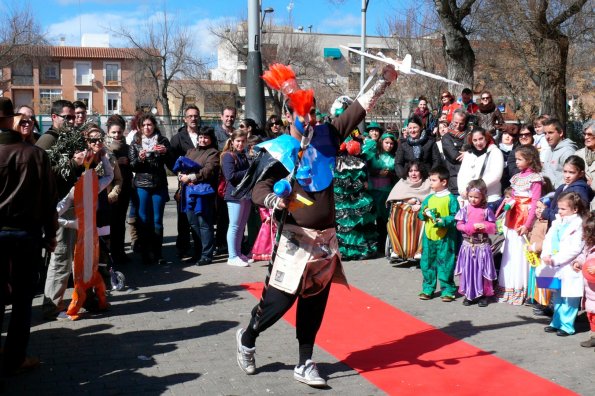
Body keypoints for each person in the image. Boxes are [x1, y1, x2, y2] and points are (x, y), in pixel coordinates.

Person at [235, 63, 398, 387]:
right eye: (303, 115)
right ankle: (249, 337)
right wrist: (275, 201)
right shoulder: (281, 149)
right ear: (291, 118)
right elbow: (259, 190)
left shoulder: (328, 135)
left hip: (325, 240)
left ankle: (305, 362)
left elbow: (360, 108)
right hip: (295, 239)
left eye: (311, 114)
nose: (309, 120)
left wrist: (383, 80)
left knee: (314, 301)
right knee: (279, 302)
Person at [0, 98, 58, 374]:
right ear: (10, 119)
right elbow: (49, 200)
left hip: (17, 233)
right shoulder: (34, 154)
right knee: (23, 300)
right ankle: (15, 357)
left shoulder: (35, 154)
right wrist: (51, 234)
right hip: (26, 234)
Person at [37, 100, 85, 320]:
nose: (72, 120)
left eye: (73, 117)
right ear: (54, 117)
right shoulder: (47, 140)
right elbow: (41, 174)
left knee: (66, 255)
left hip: (68, 202)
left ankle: (58, 302)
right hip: (57, 205)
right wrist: (74, 164)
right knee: (60, 256)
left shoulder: (67, 138)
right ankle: (50, 306)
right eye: (67, 117)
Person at [496, 145, 543, 305]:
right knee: (510, 252)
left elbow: (535, 201)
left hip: (524, 217)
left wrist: (528, 224)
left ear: (530, 160)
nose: (516, 162)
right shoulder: (516, 177)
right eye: (516, 158)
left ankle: (521, 288)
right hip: (513, 216)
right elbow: (514, 196)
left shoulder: (535, 178)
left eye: (520, 159)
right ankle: (508, 286)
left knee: (521, 254)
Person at [540, 192, 586, 336]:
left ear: (575, 209)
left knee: (570, 297)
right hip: (554, 264)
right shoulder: (557, 222)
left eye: (563, 209)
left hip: (569, 265)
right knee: (557, 295)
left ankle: (567, 326)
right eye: (559, 208)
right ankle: (557, 321)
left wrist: (556, 259)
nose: (559, 212)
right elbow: (548, 239)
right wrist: (546, 255)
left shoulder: (579, 225)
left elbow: (575, 248)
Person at [128, 114, 171, 265]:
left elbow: (171, 162)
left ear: (154, 126)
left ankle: (158, 254)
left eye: (150, 125)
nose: (147, 128)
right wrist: (140, 158)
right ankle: (145, 253)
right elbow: (132, 165)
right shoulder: (135, 143)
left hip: (158, 184)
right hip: (141, 184)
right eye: (144, 125)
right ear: (139, 127)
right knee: (143, 219)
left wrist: (165, 152)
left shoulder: (163, 141)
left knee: (157, 220)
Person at [178, 126, 220, 266]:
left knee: (204, 224)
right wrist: (180, 174)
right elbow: (183, 166)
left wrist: (190, 177)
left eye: (206, 137)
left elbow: (208, 171)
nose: (203, 139)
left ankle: (206, 255)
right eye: (201, 137)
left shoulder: (213, 153)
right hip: (188, 193)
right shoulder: (191, 151)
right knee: (193, 224)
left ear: (211, 139)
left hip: (203, 194)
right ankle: (197, 253)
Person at [418, 165, 460, 301]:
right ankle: (428, 288)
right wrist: (423, 213)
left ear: (444, 182)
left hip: (445, 238)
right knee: (427, 262)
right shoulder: (429, 198)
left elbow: (456, 216)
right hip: (429, 236)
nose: (431, 183)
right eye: (430, 180)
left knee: (446, 263)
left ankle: (447, 289)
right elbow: (420, 214)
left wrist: (444, 220)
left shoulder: (451, 199)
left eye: (433, 180)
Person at [454, 179, 497, 307]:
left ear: (483, 196)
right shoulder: (464, 210)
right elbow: (459, 225)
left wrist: (483, 226)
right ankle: (469, 294)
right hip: (468, 245)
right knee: (469, 270)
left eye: (476, 197)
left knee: (482, 270)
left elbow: (494, 227)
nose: (473, 199)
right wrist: (470, 227)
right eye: (470, 197)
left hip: (482, 246)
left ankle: (484, 295)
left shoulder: (487, 211)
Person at [334, 139, 377, 260]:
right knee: (344, 222)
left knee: (358, 222)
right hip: (342, 197)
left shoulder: (359, 151)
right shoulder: (336, 151)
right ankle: (345, 251)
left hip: (357, 196)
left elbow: (372, 145)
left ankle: (359, 250)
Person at [170, 105, 202, 259]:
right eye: (190, 116)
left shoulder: (205, 134)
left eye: (196, 116)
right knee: (183, 216)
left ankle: (200, 246)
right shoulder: (178, 138)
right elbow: (171, 158)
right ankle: (183, 247)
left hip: (201, 179)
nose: (193, 118)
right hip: (184, 181)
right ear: (185, 119)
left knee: (200, 215)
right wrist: (178, 172)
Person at [386, 160, 431, 263]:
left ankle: (419, 251)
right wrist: (408, 201)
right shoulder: (402, 182)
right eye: (411, 171)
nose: (413, 174)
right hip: (403, 213)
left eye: (416, 171)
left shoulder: (427, 183)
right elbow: (393, 199)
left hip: (420, 213)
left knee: (424, 216)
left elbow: (432, 199)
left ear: (421, 172)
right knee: (395, 211)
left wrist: (420, 203)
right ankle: (397, 250)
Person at [221, 129, 252, 267]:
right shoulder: (228, 156)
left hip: (245, 194)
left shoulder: (243, 155)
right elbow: (230, 176)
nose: (240, 143)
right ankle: (232, 256)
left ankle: (238, 254)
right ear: (232, 141)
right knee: (234, 226)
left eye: (243, 141)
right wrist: (250, 171)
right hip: (234, 195)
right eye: (238, 141)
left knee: (240, 227)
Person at [105, 115, 132, 265]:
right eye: (113, 132)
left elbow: (132, 164)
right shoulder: (104, 147)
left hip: (125, 187)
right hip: (109, 189)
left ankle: (119, 252)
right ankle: (107, 255)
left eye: (119, 132)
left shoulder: (126, 147)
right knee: (109, 222)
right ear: (108, 132)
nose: (116, 135)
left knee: (120, 222)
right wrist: (116, 162)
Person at [457, 127, 504, 212]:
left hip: (489, 199)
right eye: (475, 140)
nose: (478, 143)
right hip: (470, 200)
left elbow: (496, 175)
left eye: (481, 139)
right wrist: (463, 190)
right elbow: (462, 174)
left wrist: (475, 189)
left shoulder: (495, 152)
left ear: (486, 137)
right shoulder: (468, 154)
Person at [367, 133, 398, 253]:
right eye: (387, 143)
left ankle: (383, 245)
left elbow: (398, 173)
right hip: (373, 191)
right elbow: (367, 169)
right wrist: (377, 172)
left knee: (384, 219)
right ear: (381, 142)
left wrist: (390, 174)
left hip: (387, 192)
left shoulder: (395, 157)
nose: (389, 145)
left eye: (391, 143)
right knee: (373, 218)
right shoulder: (374, 155)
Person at [542, 155, 593, 225]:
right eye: (565, 171)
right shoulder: (564, 187)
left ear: (581, 174)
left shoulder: (579, 191)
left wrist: (545, 212)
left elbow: (571, 219)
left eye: (571, 172)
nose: (567, 176)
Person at [526, 197, 552, 314]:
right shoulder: (538, 221)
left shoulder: (547, 224)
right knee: (535, 279)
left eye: (541, 208)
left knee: (544, 281)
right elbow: (533, 234)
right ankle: (535, 298)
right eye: (536, 207)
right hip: (534, 257)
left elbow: (546, 241)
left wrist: (535, 247)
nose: (537, 210)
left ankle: (545, 303)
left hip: (542, 257)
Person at [573, 212, 595, 348]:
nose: (584, 236)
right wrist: (578, 262)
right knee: (591, 315)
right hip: (589, 289)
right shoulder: (588, 246)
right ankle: (593, 335)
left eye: (587, 233)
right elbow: (583, 255)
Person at [542, 118, 577, 189]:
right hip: (547, 192)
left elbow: (572, 177)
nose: (547, 137)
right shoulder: (549, 150)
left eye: (550, 133)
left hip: (560, 193)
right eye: (545, 133)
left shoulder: (568, 151)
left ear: (560, 133)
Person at [441, 109, 469, 195]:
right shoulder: (446, 137)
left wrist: (467, 154)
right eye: (456, 122)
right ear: (452, 120)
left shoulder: (470, 134)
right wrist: (470, 154)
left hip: (470, 175)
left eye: (461, 123)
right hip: (454, 175)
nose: (458, 126)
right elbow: (455, 156)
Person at [575, 120, 595, 210]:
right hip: (585, 200)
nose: (586, 137)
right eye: (585, 134)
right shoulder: (579, 155)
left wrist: (593, 184)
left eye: (590, 134)